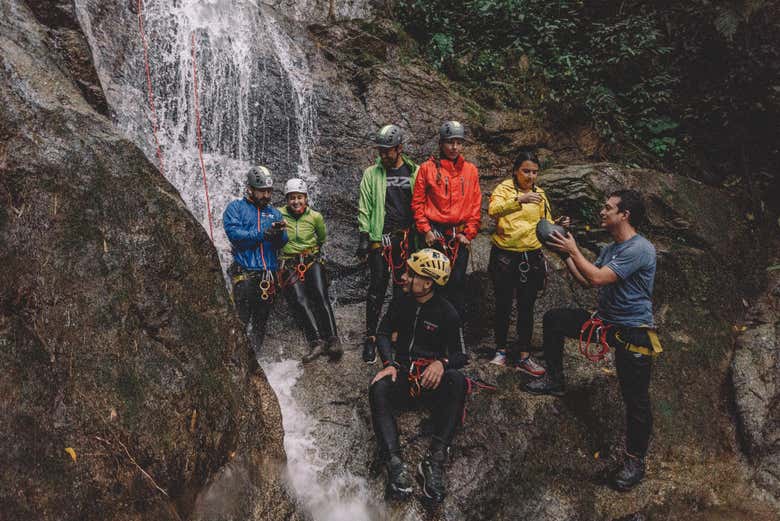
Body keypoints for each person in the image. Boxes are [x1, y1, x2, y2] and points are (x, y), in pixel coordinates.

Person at [524, 189, 662, 492]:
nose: (602, 211)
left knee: (635, 398)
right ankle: (555, 379)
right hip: (607, 322)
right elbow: (587, 279)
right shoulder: (611, 248)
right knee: (555, 320)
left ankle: (635, 460)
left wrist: (574, 251)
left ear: (624, 215)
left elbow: (599, 277)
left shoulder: (640, 249)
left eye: (608, 207)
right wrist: (564, 253)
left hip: (633, 331)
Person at [368, 248, 468, 503]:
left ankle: (434, 461)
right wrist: (389, 363)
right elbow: (382, 333)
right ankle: (395, 464)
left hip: (429, 381)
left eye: (411, 275)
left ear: (428, 283)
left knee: (457, 381)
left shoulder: (447, 312)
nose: (404, 277)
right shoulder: (401, 302)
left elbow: (461, 354)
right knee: (378, 387)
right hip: (403, 374)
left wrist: (442, 363)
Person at [487, 151, 570, 374]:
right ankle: (501, 351)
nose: (530, 176)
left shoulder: (540, 194)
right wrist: (519, 200)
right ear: (515, 170)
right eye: (526, 171)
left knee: (527, 306)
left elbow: (546, 223)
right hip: (505, 255)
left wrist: (559, 224)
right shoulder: (504, 189)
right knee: (503, 303)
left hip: (531, 256)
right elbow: (492, 211)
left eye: (534, 172)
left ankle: (524, 355)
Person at [357, 124, 419, 364]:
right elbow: (365, 205)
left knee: (403, 289)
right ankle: (371, 337)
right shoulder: (372, 174)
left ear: (399, 148)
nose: (383, 155)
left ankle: (396, 333)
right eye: (381, 151)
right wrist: (364, 235)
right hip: (380, 239)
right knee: (376, 289)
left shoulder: (415, 172)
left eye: (388, 151)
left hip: (407, 239)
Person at [411, 120, 481, 321]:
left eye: (459, 142)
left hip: (459, 236)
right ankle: (431, 336)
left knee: (457, 284)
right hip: (435, 235)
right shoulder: (427, 169)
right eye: (450, 142)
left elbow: (475, 205)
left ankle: (455, 339)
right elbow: (417, 203)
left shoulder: (470, 171)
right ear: (441, 143)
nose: (454, 147)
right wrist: (426, 230)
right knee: (433, 283)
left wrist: (469, 233)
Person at [223, 165, 288, 354]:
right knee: (239, 323)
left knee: (260, 325)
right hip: (245, 276)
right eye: (262, 192)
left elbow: (282, 243)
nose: (267, 196)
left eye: (269, 191)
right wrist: (263, 233)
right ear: (250, 189)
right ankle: (234, 363)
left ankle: (252, 365)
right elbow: (235, 235)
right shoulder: (235, 208)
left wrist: (278, 234)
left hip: (267, 279)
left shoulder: (275, 213)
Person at [278, 178, 342, 363]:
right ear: (287, 200)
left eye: (299, 197)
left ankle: (333, 340)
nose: (295, 202)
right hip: (289, 263)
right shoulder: (279, 214)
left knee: (321, 295)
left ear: (305, 198)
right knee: (299, 301)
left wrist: (310, 253)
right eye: (291, 198)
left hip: (311, 259)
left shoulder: (315, 217)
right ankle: (316, 342)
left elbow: (321, 238)